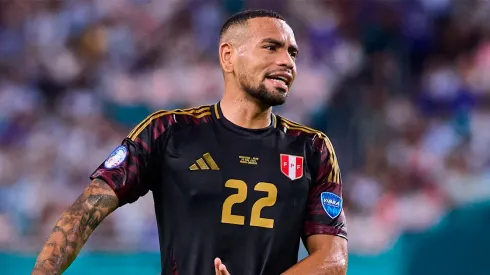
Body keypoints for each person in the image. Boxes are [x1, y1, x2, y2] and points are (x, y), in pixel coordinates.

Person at [31, 9, 348, 275]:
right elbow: (86, 210)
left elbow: (334, 259)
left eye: (292, 52)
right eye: (271, 47)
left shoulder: (312, 148)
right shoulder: (167, 132)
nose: (288, 62)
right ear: (228, 56)